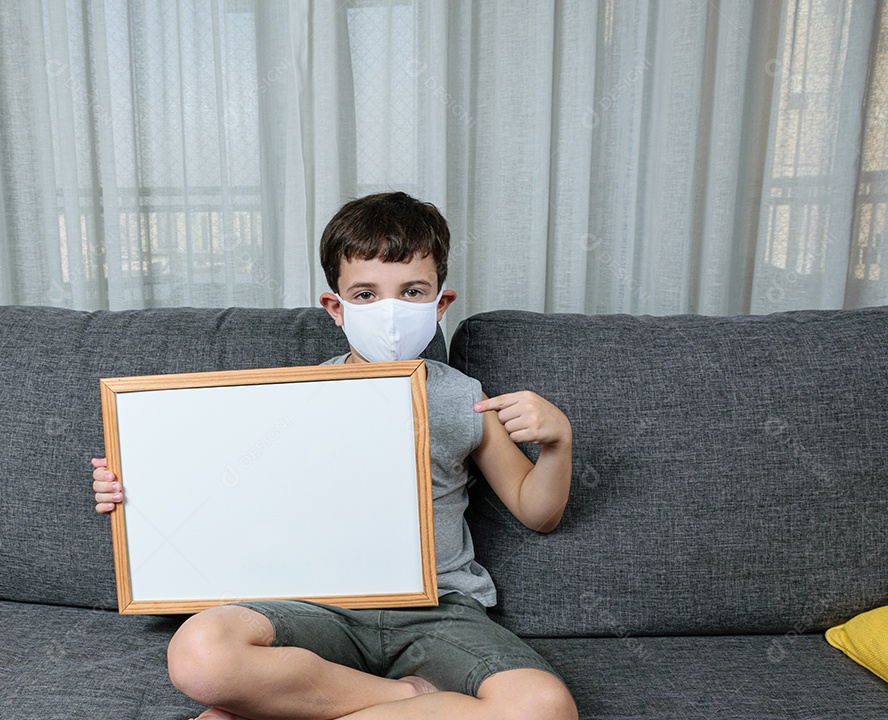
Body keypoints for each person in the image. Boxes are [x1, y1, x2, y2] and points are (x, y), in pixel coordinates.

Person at [91, 192, 578, 720]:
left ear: (440, 303)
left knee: (544, 707)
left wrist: (557, 443)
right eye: (366, 294)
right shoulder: (292, 397)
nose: (390, 312)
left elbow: (538, 511)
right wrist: (137, 492)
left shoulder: (464, 397)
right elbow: (220, 494)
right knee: (200, 654)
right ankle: (410, 701)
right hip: (316, 606)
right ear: (335, 308)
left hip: (437, 610)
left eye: (412, 292)